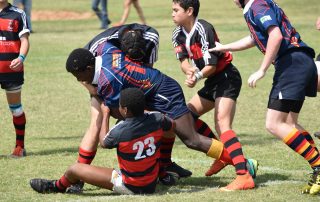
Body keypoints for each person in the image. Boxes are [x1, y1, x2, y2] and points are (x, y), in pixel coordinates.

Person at [64, 32, 258, 191]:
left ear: (89, 68)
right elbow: (113, 41)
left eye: (77, 75)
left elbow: (121, 113)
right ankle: (164, 169)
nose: (77, 79)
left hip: (165, 94)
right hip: (155, 92)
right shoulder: (105, 50)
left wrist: (97, 96)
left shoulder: (109, 81)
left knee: (191, 139)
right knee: (182, 126)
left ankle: (243, 167)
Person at [209, 0, 320, 195]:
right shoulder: (258, 6)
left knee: (274, 123)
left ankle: (319, 166)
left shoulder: (257, 5)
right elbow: (255, 39)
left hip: (291, 64)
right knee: (290, 124)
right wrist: (225, 47)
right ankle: (317, 169)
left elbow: (275, 36)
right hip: (302, 62)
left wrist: (262, 70)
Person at [67, 24, 191, 193]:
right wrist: (93, 90)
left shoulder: (147, 42)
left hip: (119, 80)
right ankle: (79, 178)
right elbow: (82, 74)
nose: (133, 59)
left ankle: (164, 167)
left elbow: (146, 73)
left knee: (152, 118)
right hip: (100, 81)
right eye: (130, 57)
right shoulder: (96, 52)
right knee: (97, 123)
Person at [171, 0, 257, 191]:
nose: (172, 14)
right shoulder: (177, 33)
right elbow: (183, 60)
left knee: (222, 124)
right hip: (212, 81)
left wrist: (197, 76)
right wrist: (189, 71)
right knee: (186, 117)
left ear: (190, 11)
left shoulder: (204, 29)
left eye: (176, 10)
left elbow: (212, 65)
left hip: (226, 77)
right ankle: (224, 155)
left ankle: (244, 176)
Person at [30, 88, 176, 195]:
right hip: (151, 181)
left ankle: (56, 187)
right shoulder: (157, 118)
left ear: (124, 110)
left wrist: (105, 114)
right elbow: (171, 125)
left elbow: (104, 142)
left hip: (131, 185)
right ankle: (163, 173)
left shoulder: (120, 130)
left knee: (75, 169)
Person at [0, 0, 30, 157]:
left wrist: (21, 57)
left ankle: (20, 147)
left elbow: (25, 40)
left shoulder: (18, 14)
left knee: (16, 109)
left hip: (11, 70)